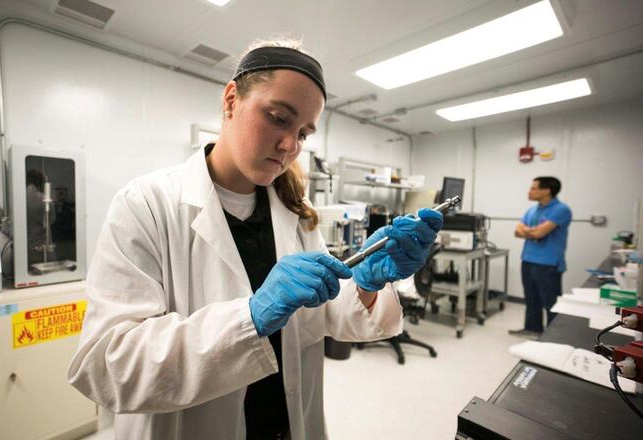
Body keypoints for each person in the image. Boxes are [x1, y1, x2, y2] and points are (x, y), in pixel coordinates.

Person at [67, 37, 443, 440]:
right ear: (231, 100)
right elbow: (105, 366)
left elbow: (326, 315)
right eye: (279, 118)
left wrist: (366, 285)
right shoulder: (146, 204)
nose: (290, 146)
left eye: (303, 132)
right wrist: (250, 316)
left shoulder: (296, 212)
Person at [509, 177, 572, 337]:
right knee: (531, 299)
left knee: (551, 302)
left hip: (548, 263)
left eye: (534, 188)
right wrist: (534, 232)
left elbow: (540, 233)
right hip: (528, 260)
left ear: (546, 191)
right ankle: (532, 329)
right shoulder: (532, 210)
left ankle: (553, 336)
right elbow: (517, 231)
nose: (529, 191)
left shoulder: (561, 210)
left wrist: (530, 231)